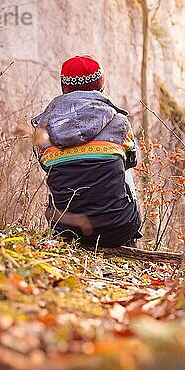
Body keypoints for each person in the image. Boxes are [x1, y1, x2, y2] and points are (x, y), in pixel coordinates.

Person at [31, 55, 142, 247]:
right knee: (123, 164)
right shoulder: (120, 122)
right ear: (100, 85)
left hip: (66, 228)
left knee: (60, 169)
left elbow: (44, 166)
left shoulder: (43, 129)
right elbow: (132, 161)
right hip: (119, 227)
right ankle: (127, 244)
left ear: (64, 87)